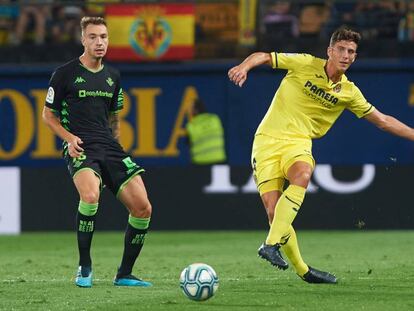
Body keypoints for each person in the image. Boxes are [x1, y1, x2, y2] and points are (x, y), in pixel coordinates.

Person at [228, 27, 414, 284]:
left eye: (351, 52)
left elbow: (382, 120)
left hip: (298, 143)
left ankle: (269, 246)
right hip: (266, 142)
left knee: (303, 173)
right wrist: (244, 67)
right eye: (341, 49)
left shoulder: (349, 92)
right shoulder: (305, 63)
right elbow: (264, 56)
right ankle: (304, 271)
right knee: (274, 213)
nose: (346, 55)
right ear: (330, 51)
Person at [42, 16, 152, 288]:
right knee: (90, 196)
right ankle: (85, 266)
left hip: (109, 147)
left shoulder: (113, 76)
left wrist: (117, 146)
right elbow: (48, 115)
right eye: (92, 37)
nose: (99, 42)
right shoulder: (64, 73)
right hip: (81, 146)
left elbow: (114, 118)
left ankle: (124, 274)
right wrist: (68, 139)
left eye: (103, 36)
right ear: (83, 40)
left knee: (143, 208)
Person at [186, 98, 227, 165]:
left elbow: (188, 142)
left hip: (200, 163)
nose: (190, 111)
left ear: (196, 110)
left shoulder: (191, 125)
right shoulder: (215, 119)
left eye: (191, 109)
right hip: (219, 161)